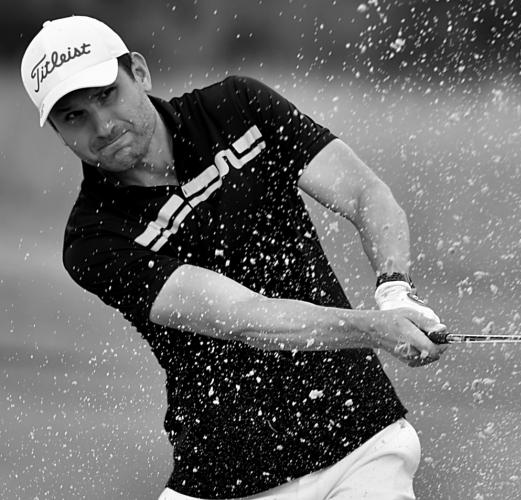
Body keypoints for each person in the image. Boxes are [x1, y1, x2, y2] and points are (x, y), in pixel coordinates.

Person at [21, 15, 448, 500]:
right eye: (73, 116)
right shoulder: (94, 240)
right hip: (226, 477)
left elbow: (363, 193)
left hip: (361, 446)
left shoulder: (236, 107)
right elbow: (245, 317)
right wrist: (376, 329)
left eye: (106, 95)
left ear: (138, 72)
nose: (102, 125)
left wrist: (394, 291)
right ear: (57, 131)